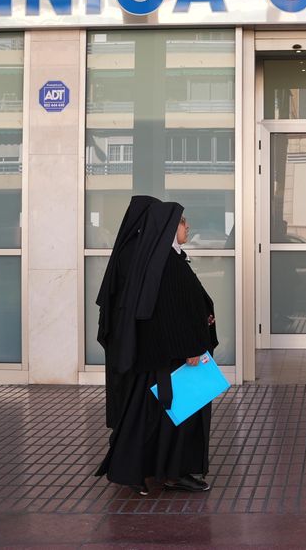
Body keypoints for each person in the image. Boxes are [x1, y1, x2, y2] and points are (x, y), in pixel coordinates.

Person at [94, 196, 218, 495]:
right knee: (176, 416)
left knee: (151, 416)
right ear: (169, 226)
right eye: (182, 222)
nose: (187, 227)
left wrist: (203, 318)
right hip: (175, 357)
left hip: (164, 355)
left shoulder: (162, 258)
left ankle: (149, 471)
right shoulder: (164, 262)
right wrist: (192, 347)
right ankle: (172, 473)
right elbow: (169, 311)